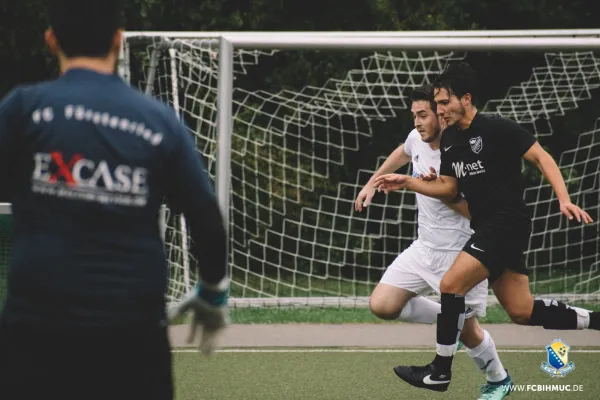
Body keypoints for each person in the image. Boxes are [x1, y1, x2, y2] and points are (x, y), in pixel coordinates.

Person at [0, 1, 229, 399]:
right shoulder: (158, 122)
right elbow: (207, 220)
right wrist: (212, 293)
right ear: (118, 41)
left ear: (51, 41)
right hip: (133, 335)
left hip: (36, 331)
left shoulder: (23, 110)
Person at [373, 61, 598, 392]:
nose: (439, 110)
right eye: (435, 105)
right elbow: (449, 188)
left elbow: (542, 158)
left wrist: (563, 199)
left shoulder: (496, 127)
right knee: (522, 311)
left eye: (444, 103)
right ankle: (595, 319)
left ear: (465, 99)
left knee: (451, 285)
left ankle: (440, 371)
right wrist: (409, 181)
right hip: (488, 228)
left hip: (505, 224)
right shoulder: (450, 141)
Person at [356, 84, 512, 399]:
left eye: (423, 115)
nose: (417, 122)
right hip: (424, 247)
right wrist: (373, 183)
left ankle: (498, 379)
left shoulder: (466, 155)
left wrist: (430, 188)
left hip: (461, 254)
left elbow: (475, 211)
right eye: (414, 115)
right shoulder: (417, 139)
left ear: (441, 116)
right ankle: (450, 319)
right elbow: (402, 152)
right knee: (382, 305)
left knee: (467, 333)